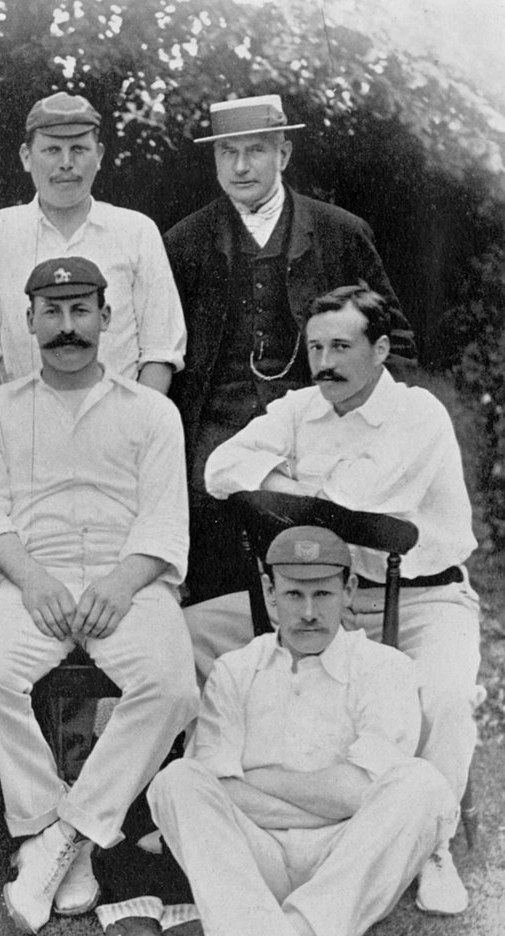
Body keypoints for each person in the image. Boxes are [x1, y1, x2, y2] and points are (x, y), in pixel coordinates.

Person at [191, 284, 479, 915]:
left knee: (446, 698)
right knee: (183, 638)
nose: (324, 362)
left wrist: (286, 487)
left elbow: (359, 502)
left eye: (341, 346)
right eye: (315, 346)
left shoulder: (419, 414)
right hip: (320, 599)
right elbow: (219, 468)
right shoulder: (300, 408)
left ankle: (433, 844)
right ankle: (214, 815)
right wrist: (292, 485)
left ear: (380, 349)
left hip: (424, 601)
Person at [150, 526, 456, 936]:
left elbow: (361, 793)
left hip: (347, 858)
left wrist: (264, 781)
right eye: (293, 593)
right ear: (271, 594)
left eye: (323, 593)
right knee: (176, 781)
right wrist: (330, 797)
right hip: (258, 858)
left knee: (422, 786)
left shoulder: (385, 669)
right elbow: (216, 789)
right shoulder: (233, 671)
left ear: (349, 593)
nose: (308, 611)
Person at [0, 256, 197, 935]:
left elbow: (163, 518)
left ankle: (67, 835)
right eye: (52, 313)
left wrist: (123, 581)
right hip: (32, 575)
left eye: (80, 311)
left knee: (172, 685)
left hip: (128, 577)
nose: (67, 328)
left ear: (106, 317)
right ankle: (46, 824)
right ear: (30, 320)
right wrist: (32, 578)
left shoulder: (151, 412)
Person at [165, 94, 414, 605]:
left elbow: (398, 346)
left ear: (283, 154)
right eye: (226, 153)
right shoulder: (184, 244)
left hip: (318, 420)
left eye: (255, 150)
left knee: (326, 542)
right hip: (219, 425)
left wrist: (363, 419)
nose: (239, 166)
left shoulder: (339, 232)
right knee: (211, 523)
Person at [0, 91, 185, 407]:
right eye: (52, 150)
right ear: (26, 156)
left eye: (79, 149)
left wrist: (133, 427)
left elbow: (160, 352)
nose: (66, 164)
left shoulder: (136, 231)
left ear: (100, 154)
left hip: (116, 428)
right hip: (23, 432)